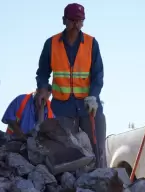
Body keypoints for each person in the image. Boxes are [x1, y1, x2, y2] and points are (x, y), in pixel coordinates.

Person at [35, 3, 106, 169]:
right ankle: (67, 190)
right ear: (64, 21)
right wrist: (43, 89)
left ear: (83, 22)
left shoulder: (91, 44)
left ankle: (102, 184)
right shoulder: (51, 44)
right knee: (66, 152)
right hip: (62, 107)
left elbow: (98, 75)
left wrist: (93, 96)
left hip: (89, 106)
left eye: (79, 20)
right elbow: (43, 72)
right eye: (72, 20)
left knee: (98, 150)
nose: (75, 24)